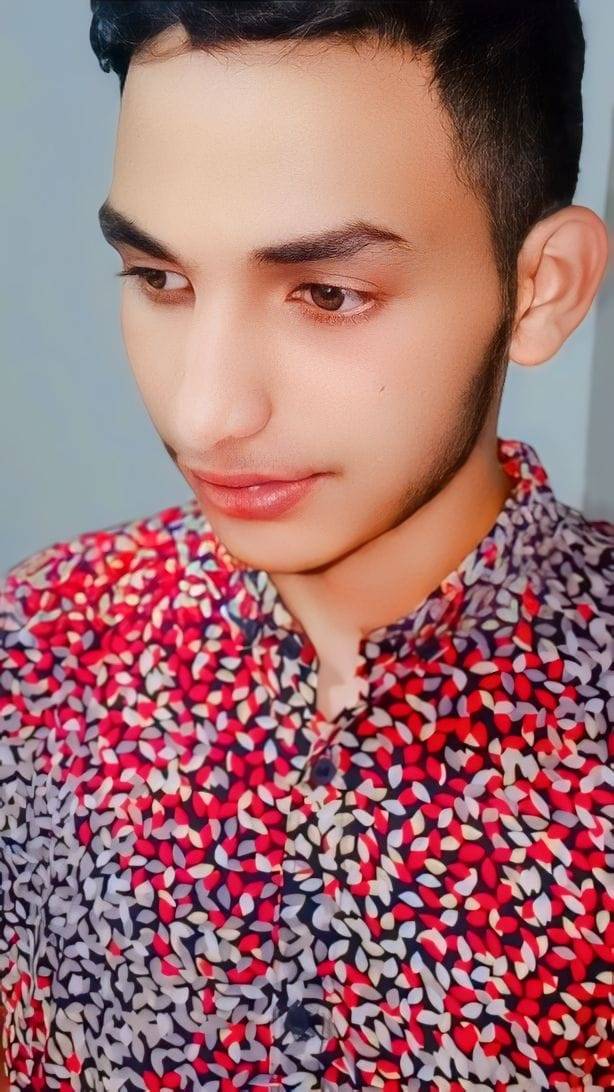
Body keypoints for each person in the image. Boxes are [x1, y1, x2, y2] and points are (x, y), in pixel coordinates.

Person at [1, 1, 612, 1088]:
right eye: (159, 279)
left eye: (328, 293)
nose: (203, 415)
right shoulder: (38, 640)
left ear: (540, 288)